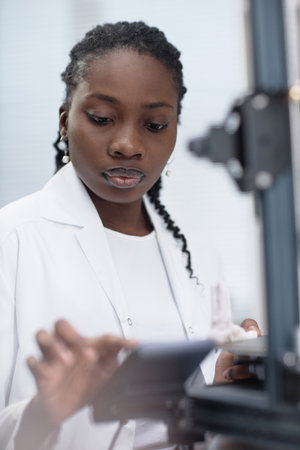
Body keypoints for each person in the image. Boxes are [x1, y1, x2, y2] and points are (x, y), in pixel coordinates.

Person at [0, 21, 259, 450]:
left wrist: (225, 385)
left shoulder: (196, 250)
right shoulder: (11, 241)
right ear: (65, 122)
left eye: (155, 125)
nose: (127, 144)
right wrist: (43, 413)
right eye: (102, 118)